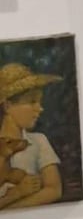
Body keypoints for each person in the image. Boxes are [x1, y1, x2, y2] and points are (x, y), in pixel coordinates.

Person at [0, 63, 63, 210]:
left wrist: (10, 209)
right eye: (32, 101)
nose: (39, 108)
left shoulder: (39, 141)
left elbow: (54, 190)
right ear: (8, 106)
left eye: (39, 102)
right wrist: (17, 193)